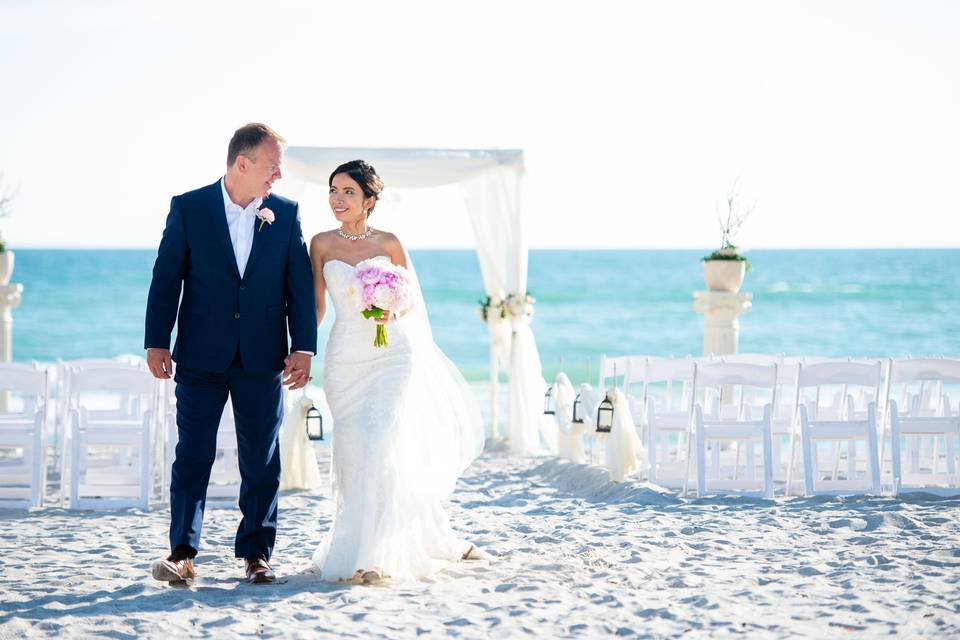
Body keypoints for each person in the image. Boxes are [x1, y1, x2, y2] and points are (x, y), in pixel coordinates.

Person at [144, 123, 317, 585]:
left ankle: (257, 554)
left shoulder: (285, 213)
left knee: (261, 459)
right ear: (242, 163)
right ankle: (182, 552)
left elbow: (298, 287)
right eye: (272, 165)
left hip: (264, 358)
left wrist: (303, 346)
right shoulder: (189, 208)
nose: (278, 175)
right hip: (200, 356)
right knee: (192, 455)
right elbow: (166, 279)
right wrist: (156, 340)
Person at [309, 160, 486, 583]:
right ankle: (354, 545)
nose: (338, 199)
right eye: (333, 190)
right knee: (352, 449)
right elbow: (317, 309)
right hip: (344, 358)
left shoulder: (390, 243)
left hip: (392, 356)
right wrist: (294, 348)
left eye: (348, 192)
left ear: (369, 200)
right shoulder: (319, 245)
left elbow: (410, 302)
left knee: (377, 441)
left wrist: (391, 309)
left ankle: (375, 556)